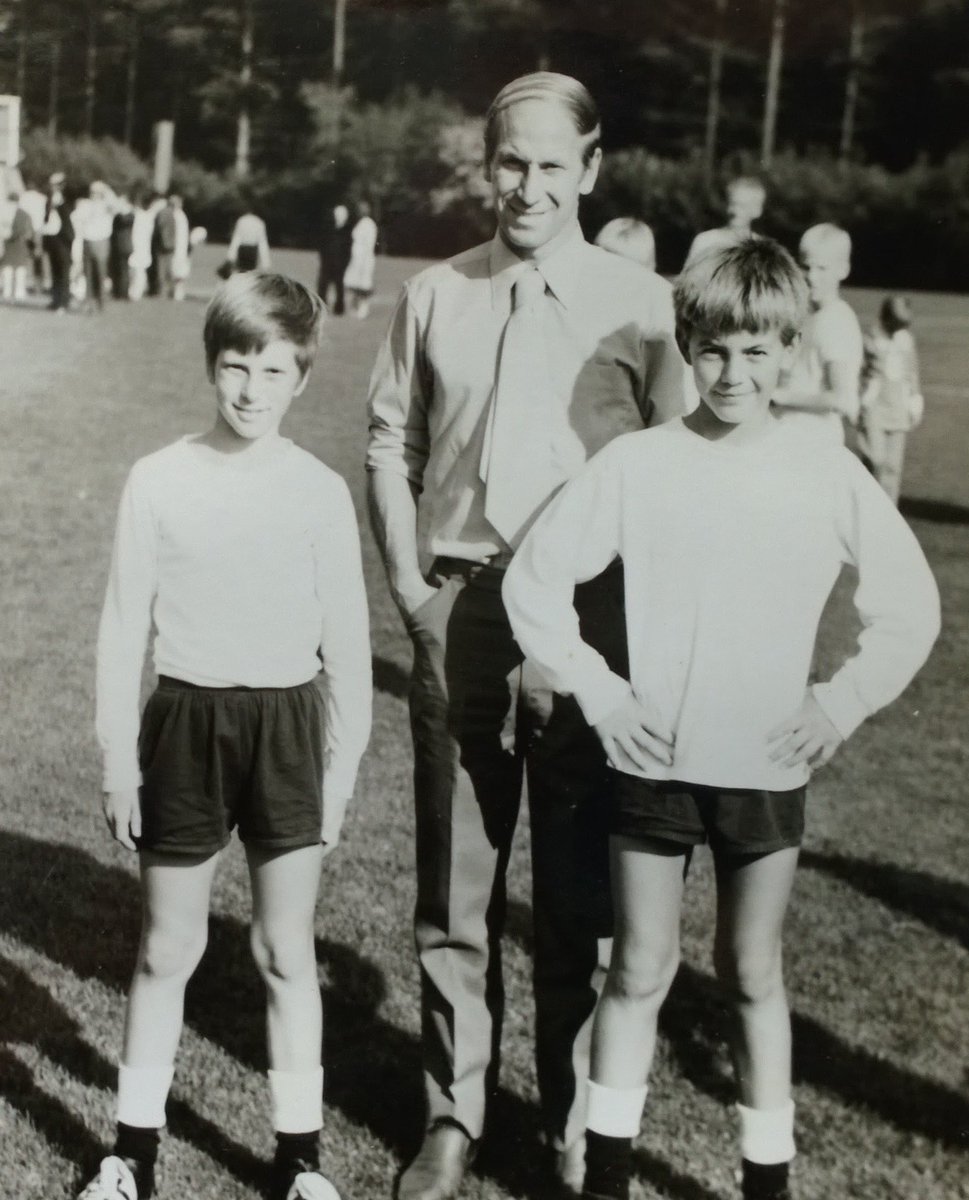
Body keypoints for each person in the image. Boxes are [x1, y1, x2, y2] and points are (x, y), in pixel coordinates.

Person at [501, 238, 941, 1200]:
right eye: (712, 350)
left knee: (750, 975)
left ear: (789, 351)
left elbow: (910, 608)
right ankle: (606, 1177)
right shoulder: (639, 462)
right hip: (655, 757)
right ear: (686, 346)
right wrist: (604, 693)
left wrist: (839, 699)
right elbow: (535, 585)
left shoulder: (823, 469)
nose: (733, 372)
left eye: (755, 352)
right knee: (639, 971)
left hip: (765, 766)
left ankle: (764, 1183)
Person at [366, 71, 685, 1200]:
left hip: (590, 623)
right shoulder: (436, 295)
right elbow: (389, 447)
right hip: (462, 605)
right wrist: (412, 590)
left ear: (591, 171)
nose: (530, 186)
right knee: (455, 890)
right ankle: (453, 1118)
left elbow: (678, 472)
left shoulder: (643, 305)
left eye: (555, 166)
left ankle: (568, 1116)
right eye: (513, 162)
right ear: (486, 164)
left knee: (578, 895)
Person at [84, 271, 372, 1200]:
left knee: (285, 951)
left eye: (274, 370)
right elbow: (123, 626)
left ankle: (299, 1162)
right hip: (186, 723)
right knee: (167, 948)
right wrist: (119, 761)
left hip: (286, 728)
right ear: (212, 364)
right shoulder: (158, 478)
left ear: (303, 377)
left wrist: (342, 771)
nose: (251, 389)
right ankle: (132, 1152)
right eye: (236, 365)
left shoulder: (319, 490)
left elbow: (351, 648)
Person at [772, 223, 864, 443]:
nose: (811, 277)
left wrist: (781, 397)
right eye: (806, 267)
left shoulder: (837, 321)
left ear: (843, 270)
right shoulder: (807, 314)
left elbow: (842, 398)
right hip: (788, 432)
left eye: (822, 268)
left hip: (815, 439)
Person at [858, 295, 923, 504]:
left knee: (893, 467)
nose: (900, 328)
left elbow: (912, 371)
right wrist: (860, 399)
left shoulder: (906, 339)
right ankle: (865, 503)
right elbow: (858, 371)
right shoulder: (870, 339)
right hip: (874, 407)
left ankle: (888, 513)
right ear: (886, 319)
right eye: (896, 323)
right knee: (875, 460)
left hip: (898, 407)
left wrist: (915, 399)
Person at [683, 176, 766, 269]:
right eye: (733, 204)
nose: (735, 211)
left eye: (743, 206)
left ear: (758, 211)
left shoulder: (764, 250)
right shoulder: (706, 241)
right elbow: (688, 282)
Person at [42, 174, 74, 313]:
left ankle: (64, 302)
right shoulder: (49, 200)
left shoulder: (66, 200)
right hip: (53, 239)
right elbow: (47, 219)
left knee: (63, 271)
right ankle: (56, 300)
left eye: (55, 184)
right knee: (55, 270)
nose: (52, 187)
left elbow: (67, 219)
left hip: (63, 239)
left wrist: (59, 205)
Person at [317, 203, 353, 316]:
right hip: (327, 262)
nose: (339, 216)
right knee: (322, 285)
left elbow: (348, 249)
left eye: (342, 214)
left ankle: (339, 308)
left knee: (339, 287)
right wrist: (323, 258)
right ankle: (321, 307)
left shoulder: (348, 230)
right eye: (337, 214)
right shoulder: (328, 228)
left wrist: (345, 262)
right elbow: (322, 244)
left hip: (340, 263)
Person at [344, 200, 378, 318]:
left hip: (364, 259)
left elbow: (369, 245)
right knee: (353, 285)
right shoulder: (360, 223)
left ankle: (363, 310)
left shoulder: (369, 224)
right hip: (356, 259)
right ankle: (354, 308)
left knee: (364, 286)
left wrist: (363, 261)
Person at [0, 192, 34, 303]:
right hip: (19, 243)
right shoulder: (24, 214)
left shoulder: (6, 212)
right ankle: (18, 291)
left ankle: (8, 290)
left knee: (8, 268)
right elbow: (28, 230)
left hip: (11, 242)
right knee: (19, 268)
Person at [227, 198, 271, 274]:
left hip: (242, 249)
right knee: (250, 273)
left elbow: (236, 238)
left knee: (240, 271)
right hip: (252, 250)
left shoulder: (241, 220)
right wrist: (266, 261)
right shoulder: (259, 222)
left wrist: (231, 255)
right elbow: (262, 242)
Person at [128, 190, 155, 301]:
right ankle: (135, 291)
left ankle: (136, 292)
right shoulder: (148, 216)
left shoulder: (141, 216)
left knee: (138, 270)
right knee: (138, 269)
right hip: (141, 245)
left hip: (140, 245)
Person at [110, 193, 135, 301]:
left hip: (123, 246)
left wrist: (119, 210)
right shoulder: (122, 215)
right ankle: (119, 292)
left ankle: (123, 293)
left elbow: (122, 221)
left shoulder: (128, 216)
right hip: (120, 246)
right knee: (119, 270)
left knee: (123, 270)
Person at [151, 194, 177, 298]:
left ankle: (161, 291)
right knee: (169, 268)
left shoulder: (161, 213)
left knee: (161, 268)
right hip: (171, 244)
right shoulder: (173, 214)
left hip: (162, 244)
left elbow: (159, 229)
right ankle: (172, 291)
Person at [169, 194, 191, 301]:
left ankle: (177, 293)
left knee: (176, 271)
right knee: (178, 271)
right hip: (181, 247)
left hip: (177, 247)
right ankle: (178, 293)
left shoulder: (176, 215)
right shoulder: (181, 216)